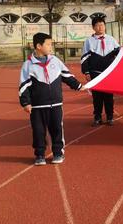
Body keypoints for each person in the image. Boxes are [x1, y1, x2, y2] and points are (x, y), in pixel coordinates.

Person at [20, 33, 85, 165]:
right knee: (38, 132)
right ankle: (39, 155)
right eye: (48, 44)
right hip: (37, 107)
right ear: (38, 46)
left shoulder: (55, 61)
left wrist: (78, 86)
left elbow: (67, 76)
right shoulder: (28, 65)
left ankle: (57, 153)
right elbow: (23, 86)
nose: (51, 47)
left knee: (57, 130)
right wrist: (26, 103)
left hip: (56, 104)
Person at [81, 16, 120, 126]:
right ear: (93, 27)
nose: (100, 27)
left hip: (108, 73)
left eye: (102, 25)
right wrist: (86, 72)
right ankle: (97, 117)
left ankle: (110, 117)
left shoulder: (111, 39)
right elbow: (84, 57)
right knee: (97, 97)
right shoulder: (89, 41)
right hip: (95, 72)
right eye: (97, 25)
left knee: (109, 97)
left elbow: (119, 53)